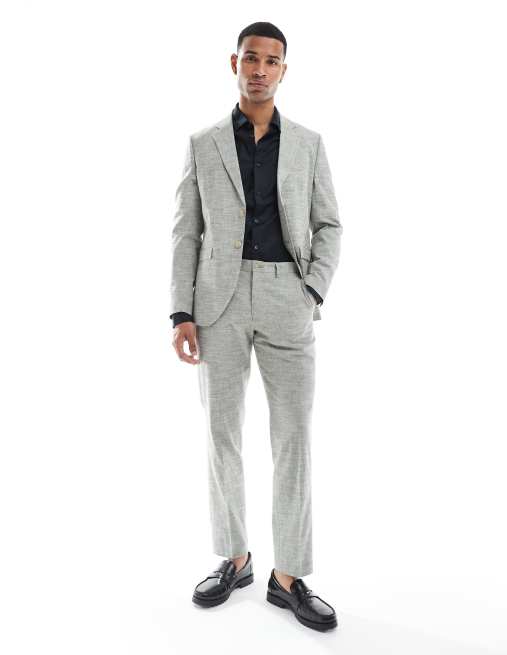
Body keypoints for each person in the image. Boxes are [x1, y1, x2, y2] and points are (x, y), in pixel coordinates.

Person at [169, 21, 342, 632]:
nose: (260, 69)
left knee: (293, 436)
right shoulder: (203, 143)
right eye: (251, 58)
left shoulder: (309, 144)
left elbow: (330, 225)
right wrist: (181, 311)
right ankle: (235, 558)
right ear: (234, 63)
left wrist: (311, 289)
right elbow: (186, 232)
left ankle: (288, 576)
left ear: (283, 70)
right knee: (222, 433)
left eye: (271, 61)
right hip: (216, 302)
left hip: (286, 296)